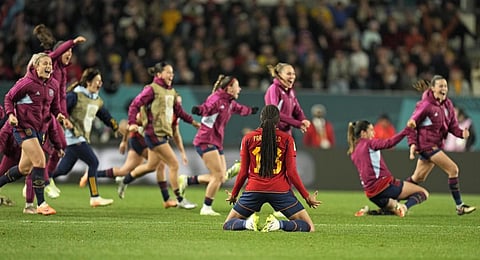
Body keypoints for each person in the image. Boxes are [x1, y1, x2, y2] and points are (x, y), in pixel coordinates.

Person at [223, 105, 321, 232]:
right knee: (308, 227)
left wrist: (234, 194)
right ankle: (278, 224)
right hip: (280, 191)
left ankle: (247, 224)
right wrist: (306, 196)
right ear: (278, 120)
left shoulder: (248, 138)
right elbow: (291, 172)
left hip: (254, 190)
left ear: (261, 118)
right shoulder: (287, 139)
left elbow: (243, 172)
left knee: (228, 224)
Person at [118, 62, 197, 209]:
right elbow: (134, 104)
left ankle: (125, 180)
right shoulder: (152, 89)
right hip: (153, 134)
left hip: (160, 135)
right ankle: (180, 199)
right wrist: (131, 122)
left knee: (151, 166)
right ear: (159, 74)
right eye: (168, 72)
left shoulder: (170, 93)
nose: (171, 75)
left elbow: (179, 114)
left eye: (173, 72)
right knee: (173, 164)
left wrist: (193, 122)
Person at [179, 74, 258, 216]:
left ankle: (188, 180)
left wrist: (251, 110)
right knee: (218, 176)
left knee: (221, 177)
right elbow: (207, 108)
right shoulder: (216, 99)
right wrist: (199, 110)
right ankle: (206, 207)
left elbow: (239, 109)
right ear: (229, 88)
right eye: (237, 86)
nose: (239, 89)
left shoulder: (229, 102)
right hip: (205, 140)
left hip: (215, 142)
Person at [0, 53, 68, 215]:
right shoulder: (26, 83)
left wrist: (59, 115)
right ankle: (41, 204)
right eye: (44, 64)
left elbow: (54, 108)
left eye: (50, 64)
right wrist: (11, 115)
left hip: (40, 131)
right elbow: (9, 98)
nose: (48, 67)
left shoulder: (53, 85)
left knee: (24, 169)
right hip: (23, 128)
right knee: (40, 161)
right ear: (36, 67)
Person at [406, 76, 476, 215]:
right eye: (441, 86)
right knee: (453, 169)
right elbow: (411, 124)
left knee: (417, 178)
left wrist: (462, 134)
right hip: (427, 145)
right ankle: (460, 206)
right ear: (433, 88)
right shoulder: (425, 105)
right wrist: (412, 144)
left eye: (445, 86)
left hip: (436, 145)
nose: (444, 88)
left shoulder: (448, 105)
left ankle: (395, 202)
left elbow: (453, 127)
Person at [33, 24, 87, 198]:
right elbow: (56, 53)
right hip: (41, 113)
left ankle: (44, 181)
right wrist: (73, 42)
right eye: (67, 51)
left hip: (53, 113)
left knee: (59, 146)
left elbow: (61, 97)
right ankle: (41, 184)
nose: (69, 54)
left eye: (71, 53)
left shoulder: (63, 72)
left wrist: (64, 117)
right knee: (45, 151)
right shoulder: (51, 61)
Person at [50, 68, 118, 207]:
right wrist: (63, 123)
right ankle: (94, 197)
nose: (100, 84)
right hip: (74, 137)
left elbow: (104, 115)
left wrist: (114, 126)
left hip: (79, 139)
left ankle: (39, 178)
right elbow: (60, 111)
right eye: (97, 81)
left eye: (100, 81)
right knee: (94, 163)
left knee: (63, 170)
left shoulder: (96, 100)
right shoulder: (75, 96)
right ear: (88, 82)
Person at [347, 120, 429, 217]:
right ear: (363, 133)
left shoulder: (353, 150)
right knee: (423, 193)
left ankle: (370, 212)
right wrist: (405, 131)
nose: (374, 133)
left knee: (394, 207)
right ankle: (405, 207)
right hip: (384, 186)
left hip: (371, 194)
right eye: (371, 130)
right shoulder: (369, 144)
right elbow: (389, 143)